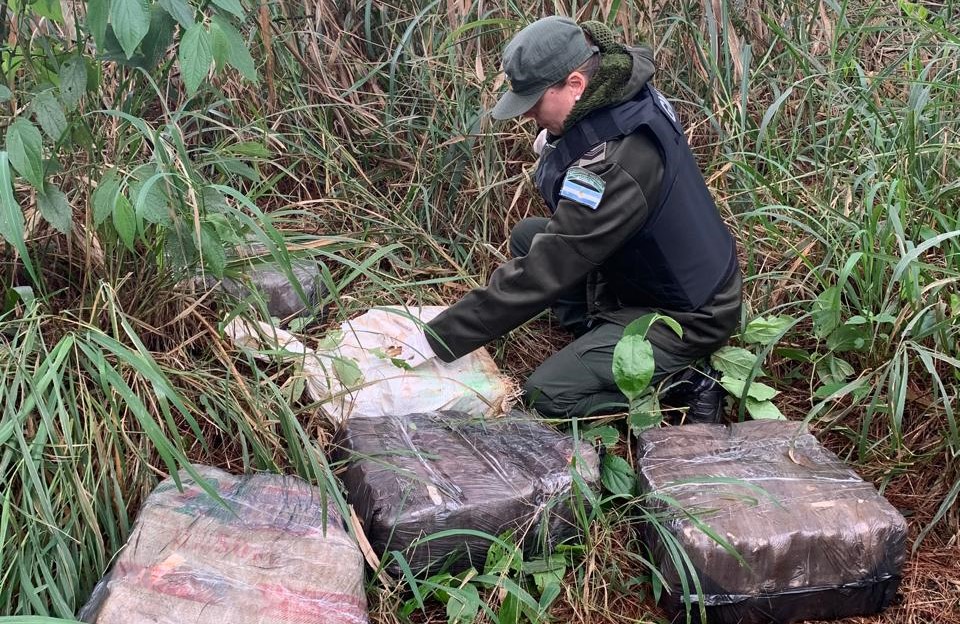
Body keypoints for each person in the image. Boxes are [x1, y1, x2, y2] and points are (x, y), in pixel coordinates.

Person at [404, 16, 742, 423]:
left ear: (576, 84)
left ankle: (684, 381)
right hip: (655, 275)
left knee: (547, 394)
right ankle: (596, 334)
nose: (527, 113)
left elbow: (546, 270)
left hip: (689, 314)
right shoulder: (618, 84)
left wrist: (439, 338)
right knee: (529, 236)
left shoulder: (615, 164)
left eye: (534, 102)